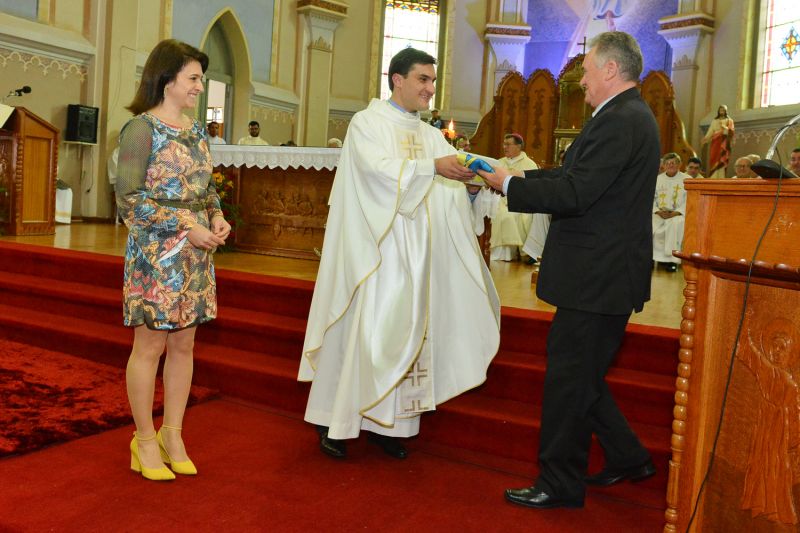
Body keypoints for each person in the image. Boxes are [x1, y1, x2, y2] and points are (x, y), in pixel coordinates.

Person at [475, 31, 659, 510]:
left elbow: (576, 193)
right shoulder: (623, 116)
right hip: (601, 274)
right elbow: (570, 177)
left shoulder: (621, 120)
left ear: (611, 70)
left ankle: (559, 483)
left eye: (588, 70)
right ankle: (629, 456)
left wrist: (510, 186)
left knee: (569, 381)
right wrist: (512, 178)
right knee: (582, 376)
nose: (581, 81)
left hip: (597, 276)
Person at [298, 47, 501, 461]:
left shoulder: (430, 135)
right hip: (374, 251)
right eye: (423, 79)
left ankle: (388, 425)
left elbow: (442, 195)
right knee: (364, 333)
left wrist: (468, 187)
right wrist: (433, 169)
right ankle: (335, 421)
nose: (430, 88)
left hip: (417, 255)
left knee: (407, 335)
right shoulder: (367, 123)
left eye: (432, 80)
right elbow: (375, 173)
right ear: (397, 79)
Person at [115, 39, 231, 481]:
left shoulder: (196, 130)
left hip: (196, 253)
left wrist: (216, 216)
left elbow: (207, 188)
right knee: (150, 347)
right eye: (193, 78)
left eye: (200, 78)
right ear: (167, 80)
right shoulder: (140, 129)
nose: (200, 86)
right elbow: (128, 200)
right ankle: (144, 439)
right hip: (156, 254)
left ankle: (173, 434)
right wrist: (185, 226)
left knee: (184, 345)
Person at [489, 133, 537, 261]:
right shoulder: (498, 162)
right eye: (504, 144)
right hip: (499, 199)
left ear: (518, 146)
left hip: (520, 200)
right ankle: (502, 253)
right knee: (499, 214)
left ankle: (523, 252)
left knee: (512, 215)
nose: (504, 147)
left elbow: (532, 187)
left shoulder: (529, 164)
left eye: (508, 144)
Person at [652, 152, 689, 272]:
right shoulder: (657, 179)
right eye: (667, 163)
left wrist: (677, 212)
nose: (670, 165)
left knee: (676, 224)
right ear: (663, 165)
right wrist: (657, 211)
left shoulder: (687, 179)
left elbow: (689, 199)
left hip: (677, 214)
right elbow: (651, 198)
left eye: (673, 163)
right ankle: (652, 258)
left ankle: (672, 261)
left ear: (679, 164)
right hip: (660, 213)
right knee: (649, 222)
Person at [701, 104, 734, 179]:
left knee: (722, 158)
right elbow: (710, 131)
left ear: (725, 111)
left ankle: (721, 176)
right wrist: (705, 139)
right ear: (718, 111)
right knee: (714, 157)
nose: (721, 111)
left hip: (724, 142)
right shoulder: (714, 121)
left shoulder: (729, 120)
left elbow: (731, 131)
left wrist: (725, 128)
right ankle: (713, 175)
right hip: (715, 141)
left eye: (723, 110)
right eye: (720, 110)